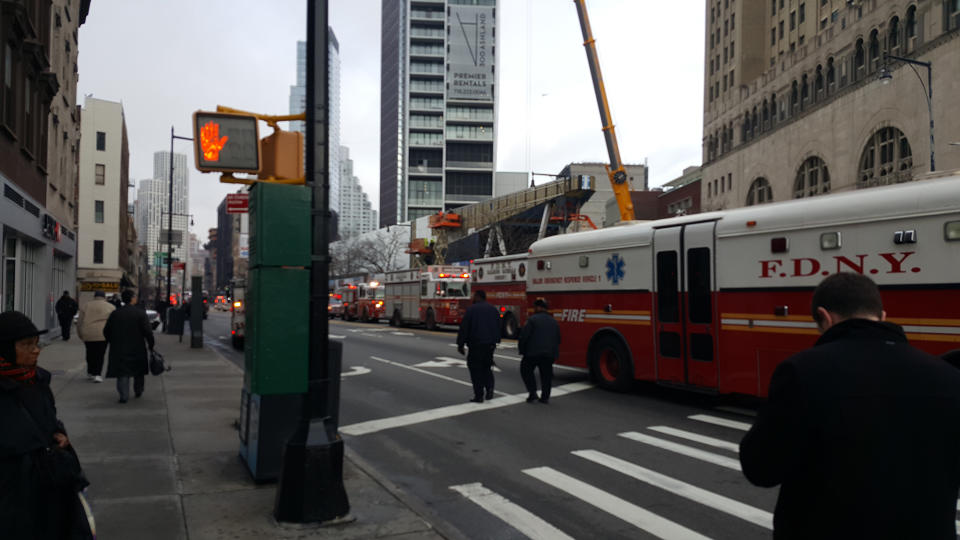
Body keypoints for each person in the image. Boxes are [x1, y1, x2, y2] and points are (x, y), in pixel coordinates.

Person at [739, 273, 960, 539]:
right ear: (882, 315)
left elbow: (761, 469)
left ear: (825, 317)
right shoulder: (948, 376)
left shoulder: (802, 371)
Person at [0, 310, 93, 539]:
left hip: (49, 481)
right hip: (12, 488)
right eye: (26, 344)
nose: (35, 350)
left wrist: (59, 433)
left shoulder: (38, 379)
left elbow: (48, 417)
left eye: (36, 343)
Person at [103, 289, 154, 404]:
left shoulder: (116, 313)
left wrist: (112, 341)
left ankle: (123, 395)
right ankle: (138, 390)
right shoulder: (140, 313)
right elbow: (148, 331)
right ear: (132, 298)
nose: (136, 298)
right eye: (135, 296)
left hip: (119, 347)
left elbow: (106, 331)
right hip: (137, 347)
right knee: (138, 370)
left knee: (122, 372)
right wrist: (151, 345)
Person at [456, 289, 501, 403]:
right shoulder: (493, 310)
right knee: (487, 367)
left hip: (476, 345)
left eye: (474, 296)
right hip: (490, 345)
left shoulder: (471, 310)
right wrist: (495, 341)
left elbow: (464, 328)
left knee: (476, 370)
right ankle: (490, 388)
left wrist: (460, 344)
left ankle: (479, 395)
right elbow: (498, 326)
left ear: (477, 297)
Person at [518, 298, 561, 404]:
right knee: (546, 375)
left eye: (535, 307)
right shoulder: (553, 321)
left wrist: (522, 350)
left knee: (526, 370)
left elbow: (524, 336)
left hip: (533, 353)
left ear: (538, 307)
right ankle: (545, 397)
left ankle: (532, 393)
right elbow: (558, 338)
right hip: (549, 354)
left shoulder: (532, 320)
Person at [76, 291, 115, 383]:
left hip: (88, 333)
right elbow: (113, 322)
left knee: (90, 353)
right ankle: (97, 374)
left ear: (95, 296)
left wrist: (80, 334)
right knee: (100, 355)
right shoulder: (111, 307)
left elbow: (80, 322)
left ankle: (90, 371)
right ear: (104, 297)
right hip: (103, 334)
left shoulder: (86, 306)